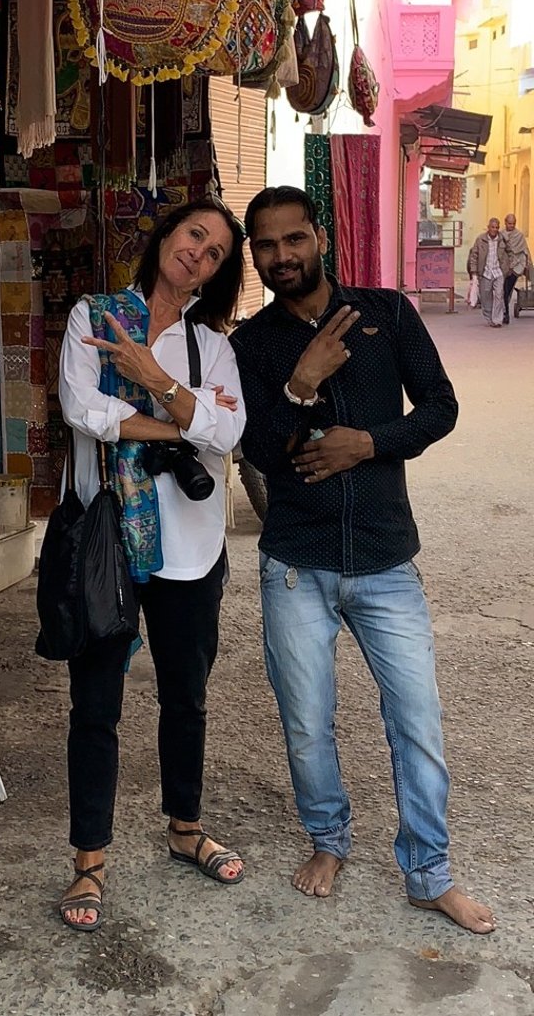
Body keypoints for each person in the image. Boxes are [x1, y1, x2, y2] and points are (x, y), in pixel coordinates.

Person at [230, 185, 495, 936]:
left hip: (384, 558)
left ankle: (429, 871)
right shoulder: (252, 346)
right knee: (307, 721)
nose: (281, 255)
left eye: (293, 239)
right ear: (254, 255)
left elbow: (440, 406)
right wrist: (300, 381)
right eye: (266, 245)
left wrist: (369, 442)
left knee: (416, 719)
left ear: (320, 237)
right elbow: (259, 450)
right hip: (296, 562)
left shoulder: (388, 313)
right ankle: (329, 840)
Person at [56, 200, 248, 932]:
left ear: (219, 271)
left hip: (192, 547)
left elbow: (228, 429)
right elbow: (83, 407)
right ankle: (89, 860)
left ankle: (184, 827)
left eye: (216, 250)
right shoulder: (95, 316)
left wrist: (151, 378)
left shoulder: (213, 346)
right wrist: (180, 418)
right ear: (166, 234)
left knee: (186, 696)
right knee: (96, 703)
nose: (199, 252)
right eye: (194, 234)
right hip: (109, 538)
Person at [466, 218, 510, 328]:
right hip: (485, 272)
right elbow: (474, 256)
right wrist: (474, 271)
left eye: (496, 227)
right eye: (492, 227)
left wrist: (507, 267)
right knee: (486, 296)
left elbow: (510, 253)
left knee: (499, 295)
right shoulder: (480, 239)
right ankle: (489, 317)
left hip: (498, 271)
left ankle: (497, 319)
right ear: (488, 227)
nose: (494, 230)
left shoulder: (503, 239)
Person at [501, 213, 530, 324]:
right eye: (509, 223)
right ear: (505, 223)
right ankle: (505, 313)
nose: (511, 226)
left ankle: (505, 312)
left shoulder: (519, 235)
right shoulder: (501, 234)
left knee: (508, 290)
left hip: (516, 267)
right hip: (504, 266)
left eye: (513, 224)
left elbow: (524, 251)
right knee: (503, 290)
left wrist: (526, 265)